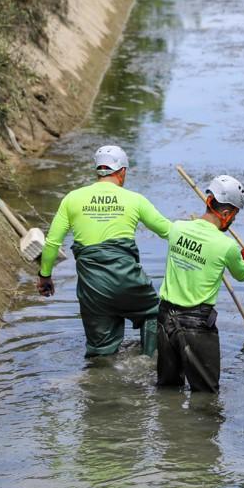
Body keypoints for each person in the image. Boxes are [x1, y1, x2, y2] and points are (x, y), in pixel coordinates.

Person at [37, 145, 170, 357]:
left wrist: (45, 276)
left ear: (98, 170)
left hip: (93, 289)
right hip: (128, 282)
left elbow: (52, 242)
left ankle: (99, 376)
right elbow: (169, 232)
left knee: (100, 352)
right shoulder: (135, 200)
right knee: (155, 312)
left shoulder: (72, 198)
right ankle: (149, 361)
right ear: (122, 171)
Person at [156, 175, 244, 393]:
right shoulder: (226, 245)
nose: (232, 221)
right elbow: (242, 274)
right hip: (196, 326)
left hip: (165, 320)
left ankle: (166, 426)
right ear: (225, 214)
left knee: (167, 390)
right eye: (234, 216)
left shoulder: (178, 229)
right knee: (205, 396)